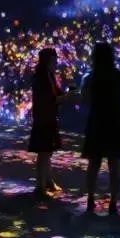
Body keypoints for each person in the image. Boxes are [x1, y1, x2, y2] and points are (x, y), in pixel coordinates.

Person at [82, 42, 120, 215]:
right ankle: (113, 202)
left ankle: (90, 199)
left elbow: (85, 99)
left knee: (94, 163)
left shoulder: (90, 77)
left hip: (97, 121)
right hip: (115, 122)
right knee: (114, 164)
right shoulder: (118, 74)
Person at [28, 48, 76, 199]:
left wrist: (66, 95)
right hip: (43, 118)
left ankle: (48, 182)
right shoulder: (41, 78)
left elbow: (56, 94)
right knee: (43, 153)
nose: (56, 64)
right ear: (46, 62)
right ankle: (40, 186)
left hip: (49, 118)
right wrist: (66, 97)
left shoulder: (49, 76)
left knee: (47, 152)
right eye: (53, 61)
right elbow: (49, 99)